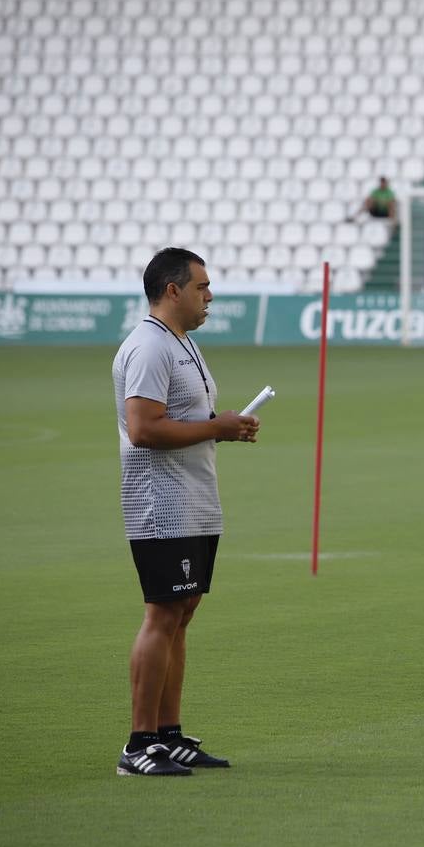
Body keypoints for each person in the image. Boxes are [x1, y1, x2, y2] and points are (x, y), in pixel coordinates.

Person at [111, 247, 260, 776]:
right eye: (202, 286)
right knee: (163, 613)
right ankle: (138, 744)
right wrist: (217, 427)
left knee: (183, 612)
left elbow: (187, 417)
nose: (210, 296)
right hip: (160, 505)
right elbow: (144, 428)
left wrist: (224, 423)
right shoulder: (148, 347)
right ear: (172, 290)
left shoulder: (182, 344)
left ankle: (169, 735)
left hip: (195, 500)